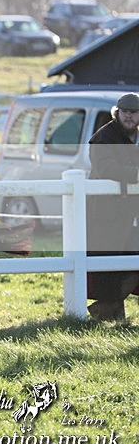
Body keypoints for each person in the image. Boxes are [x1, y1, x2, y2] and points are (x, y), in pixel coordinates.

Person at [86, 92, 139, 320]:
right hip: (105, 215)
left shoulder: (134, 136)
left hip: (126, 213)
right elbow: (105, 168)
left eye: (133, 112)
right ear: (118, 113)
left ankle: (109, 311)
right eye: (125, 112)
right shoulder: (103, 136)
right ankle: (107, 311)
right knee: (110, 266)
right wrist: (136, 174)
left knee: (128, 262)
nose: (129, 116)